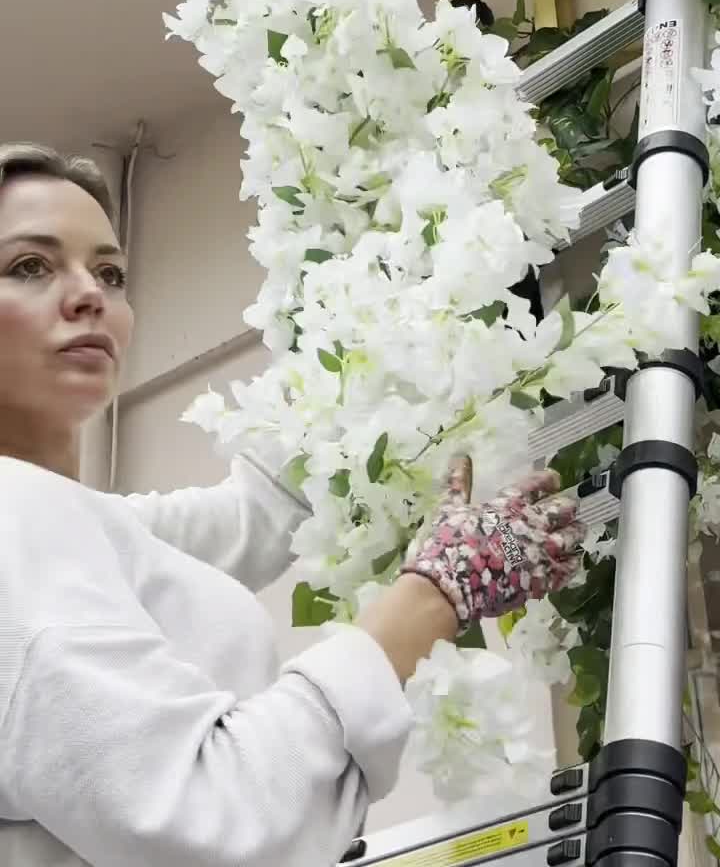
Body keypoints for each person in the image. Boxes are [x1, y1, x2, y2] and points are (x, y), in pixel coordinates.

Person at [0, 143, 585, 867]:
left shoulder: (93, 526)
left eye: (110, 272)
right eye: (30, 265)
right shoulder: (15, 520)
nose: (90, 293)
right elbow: (211, 816)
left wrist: (396, 287)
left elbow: (260, 512)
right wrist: (435, 592)